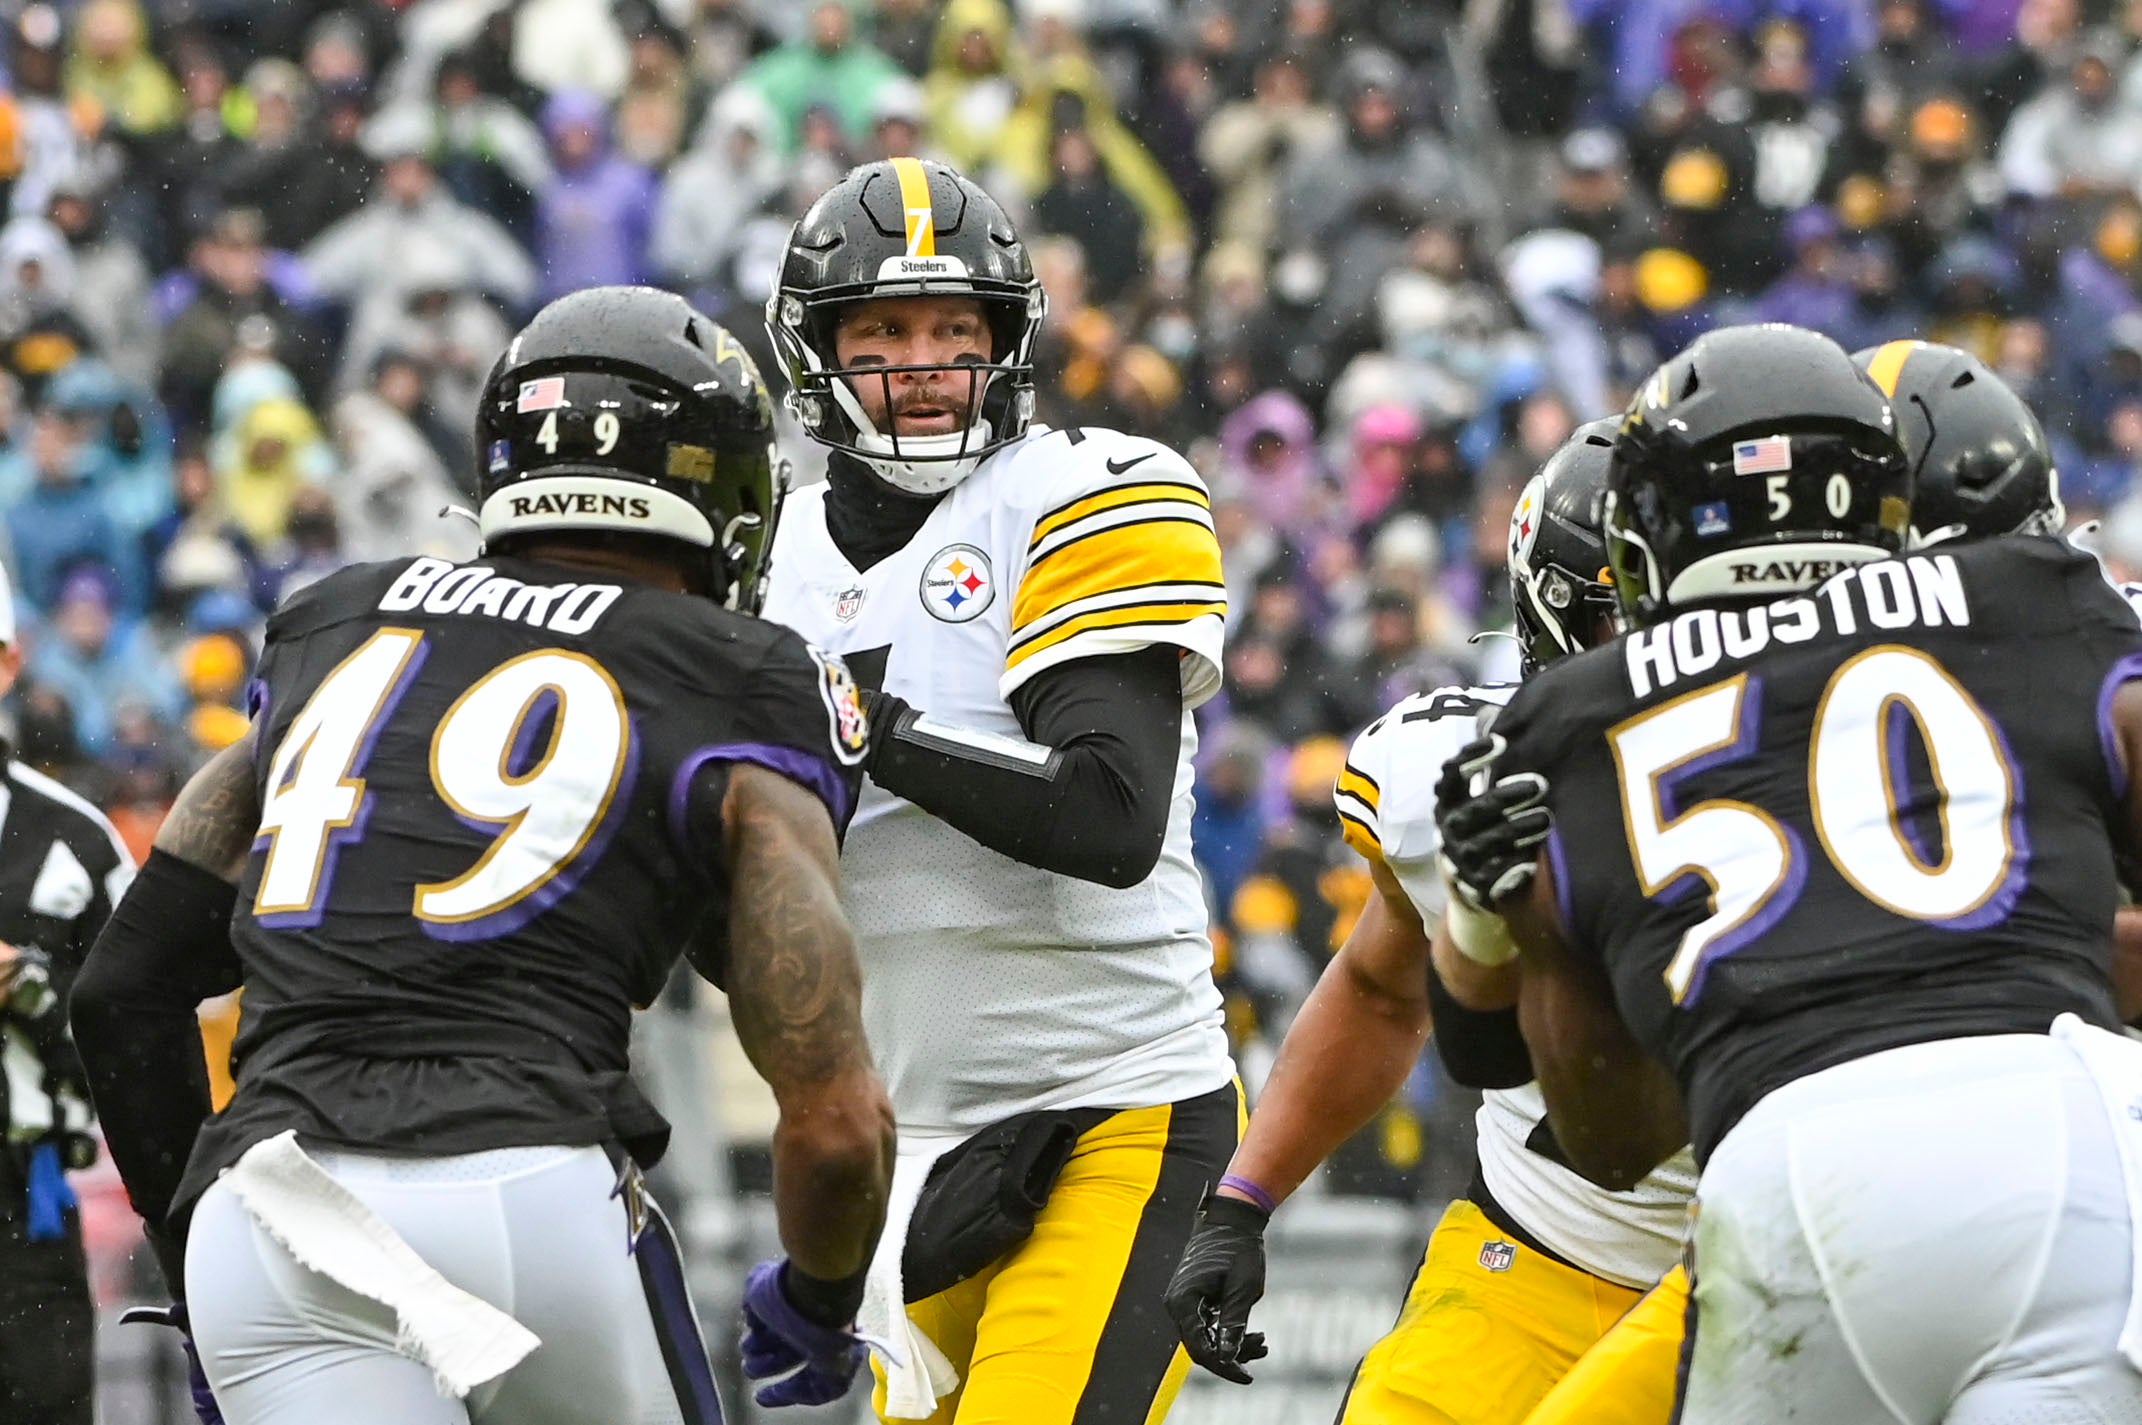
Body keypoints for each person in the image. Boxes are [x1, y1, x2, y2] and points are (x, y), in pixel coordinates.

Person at [68, 286, 896, 1425]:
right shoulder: (738, 671)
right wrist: (821, 1294)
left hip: (270, 1210)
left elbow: (122, 991)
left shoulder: (341, 622)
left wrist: (197, 1246)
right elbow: (838, 1117)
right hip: (523, 1192)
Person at [1440, 323, 2142, 1422]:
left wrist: (1491, 926)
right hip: (2074, 1136)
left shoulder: (1574, 718)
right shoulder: (2031, 599)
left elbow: (1607, 1139)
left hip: (1798, 1166)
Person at [759, 157, 1237, 1425]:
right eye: (883, 330)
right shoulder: (763, 553)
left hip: (1116, 1110)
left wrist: (859, 725)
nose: (922, 361)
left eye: (953, 328)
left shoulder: (1080, 489)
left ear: (1006, 342)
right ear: (820, 351)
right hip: (908, 1150)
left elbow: (1108, 817)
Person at [1164, 421, 1694, 1425]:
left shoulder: (1853, 771)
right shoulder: (1459, 771)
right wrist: (1243, 1198)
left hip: (1780, 1254)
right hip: (1546, 1253)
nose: (1682, 652)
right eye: (1647, 616)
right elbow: (1377, 988)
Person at [0, 560, 136, 1425]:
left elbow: (137, 1053)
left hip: (24, 1203)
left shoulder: (77, 843)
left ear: (7, 662)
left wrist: (33, 991)